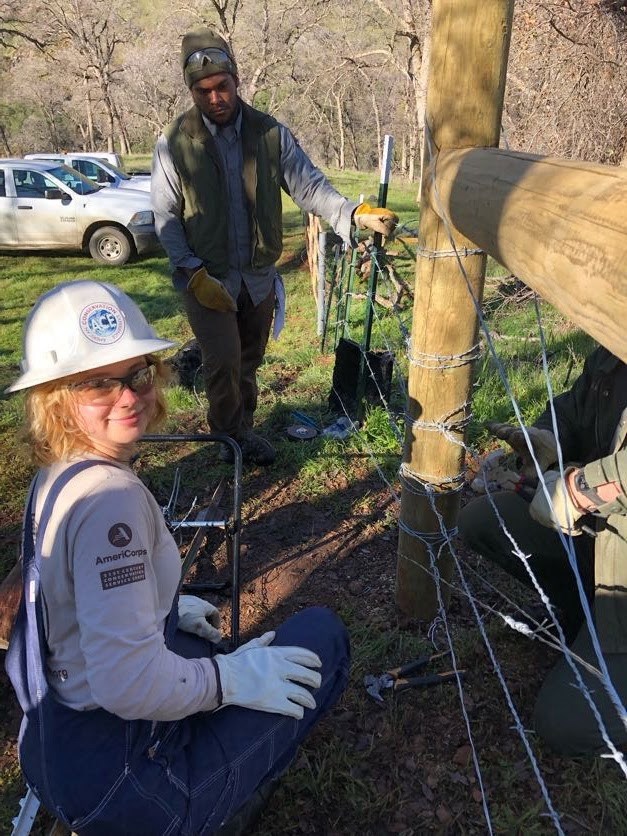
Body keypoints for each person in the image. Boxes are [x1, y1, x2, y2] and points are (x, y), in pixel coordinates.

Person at [5, 279, 350, 835]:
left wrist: (161, 604)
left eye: (137, 373)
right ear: (56, 397)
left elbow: (68, 604)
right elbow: (123, 684)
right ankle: (213, 810)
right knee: (322, 636)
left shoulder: (57, 475)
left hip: (53, 754)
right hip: (125, 785)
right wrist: (229, 681)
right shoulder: (110, 501)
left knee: (195, 639)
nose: (129, 395)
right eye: (97, 383)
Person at [151, 27, 398, 466]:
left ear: (236, 78)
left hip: (258, 277)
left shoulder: (269, 134)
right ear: (191, 91)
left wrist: (353, 214)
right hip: (206, 276)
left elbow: (309, 186)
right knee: (223, 361)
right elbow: (166, 216)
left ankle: (241, 427)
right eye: (203, 91)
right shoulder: (173, 143)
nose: (214, 99)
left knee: (248, 359)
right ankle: (229, 440)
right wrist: (191, 271)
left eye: (221, 87)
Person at [459, 345, 627, 755]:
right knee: (483, 521)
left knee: (566, 722)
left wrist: (579, 490)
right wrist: (548, 438)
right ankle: (586, 618)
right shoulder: (616, 335)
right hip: (607, 538)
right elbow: (573, 409)